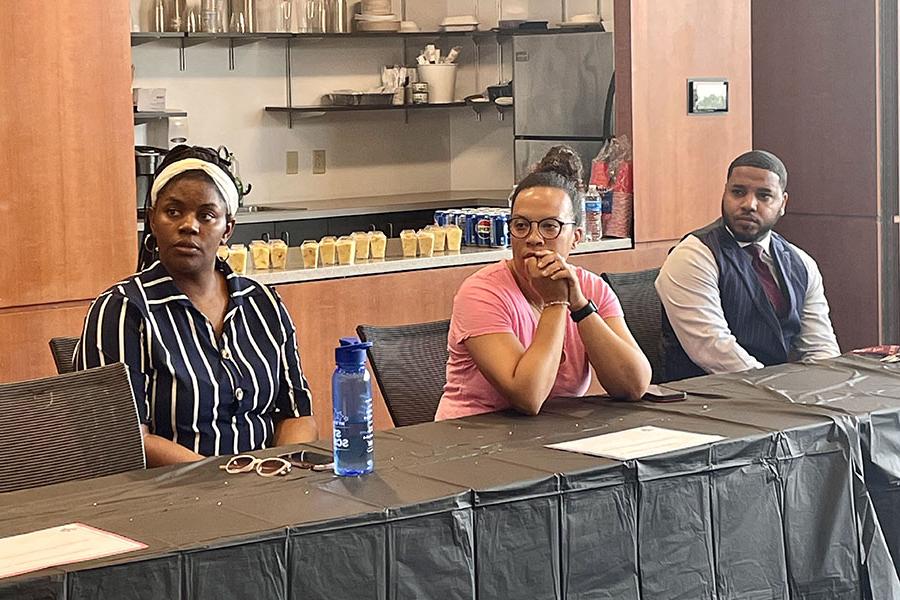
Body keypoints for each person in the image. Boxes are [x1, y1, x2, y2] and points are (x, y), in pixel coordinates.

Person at [75, 145, 317, 466]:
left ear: (227, 229)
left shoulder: (264, 304)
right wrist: (220, 477)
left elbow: (298, 415)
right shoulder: (122, 310)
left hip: (265, 488)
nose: (189, 225)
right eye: (173, 212)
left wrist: (277, 468)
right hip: (169, 498)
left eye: (206, 215)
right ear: (152, 220)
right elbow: (124, 437)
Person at [435, 146, 651, 420]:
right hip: (470, 441)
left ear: (577, 237)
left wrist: (581, 307)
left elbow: (634, 384)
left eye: (550, 226)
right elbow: (528, 397)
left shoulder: (593, 288)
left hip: (556, 437)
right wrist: (556, 302)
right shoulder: (481, 292)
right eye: (522, 226)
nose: (534, 238)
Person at [655, 150, 840, 381]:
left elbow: (820, 347)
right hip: (706, 400)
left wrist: (829, 390)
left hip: (779, 400)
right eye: (738, 192)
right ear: (724, 193)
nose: (749, 204)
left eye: (764, 196)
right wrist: (780, 391)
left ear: (782, 203)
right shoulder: (693, 256)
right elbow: (713, 349)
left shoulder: (801, 263)